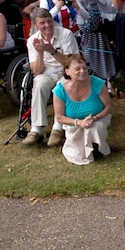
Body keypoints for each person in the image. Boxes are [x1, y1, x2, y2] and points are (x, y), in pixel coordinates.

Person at [23, 8, 80, 146]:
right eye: (42, 23)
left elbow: (72, 63)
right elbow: (37, 70)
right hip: (46, 72)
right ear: (36, 25)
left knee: (62, 85)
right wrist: (41, 53)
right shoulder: (32, 40)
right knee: (39, 84)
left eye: (49, 21)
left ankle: (57, 128)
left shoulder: (65, 34)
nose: (47, 25)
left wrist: (51, 51)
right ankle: (36, 128)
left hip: (65, 71)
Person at [51, 54, 112, 165]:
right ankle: (85, 148)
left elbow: (108, 107)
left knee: (94, 127)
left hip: (97, 119)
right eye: (77, 69)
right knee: (77, 155)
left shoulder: (97, 83)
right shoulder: (60, 90)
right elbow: (59, 117)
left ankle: (98, 147)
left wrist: (95, 118)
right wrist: (78, 122)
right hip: (74, 124)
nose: (82, 71)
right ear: (67, 72)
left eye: (84, 68)